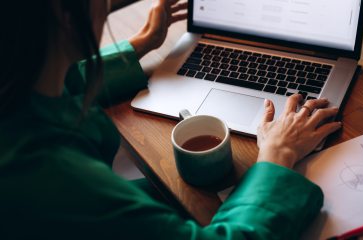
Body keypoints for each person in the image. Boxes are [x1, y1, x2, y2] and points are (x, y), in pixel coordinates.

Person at [0, 0, 342, 239]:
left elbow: (59, 79)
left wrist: (141, 44)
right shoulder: (51, 176)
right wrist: (278, 154)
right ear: (64, 14)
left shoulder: (14, 79)